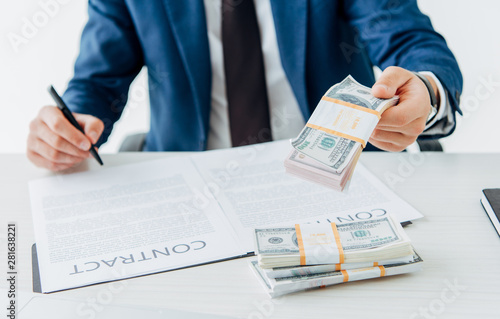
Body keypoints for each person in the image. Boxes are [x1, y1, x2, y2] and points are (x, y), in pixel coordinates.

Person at [27, 0, 463, 171]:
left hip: (339, 177)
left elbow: (410, 40)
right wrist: (70, 126)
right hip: (191, 182)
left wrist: (427, 90)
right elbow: (97, 82)